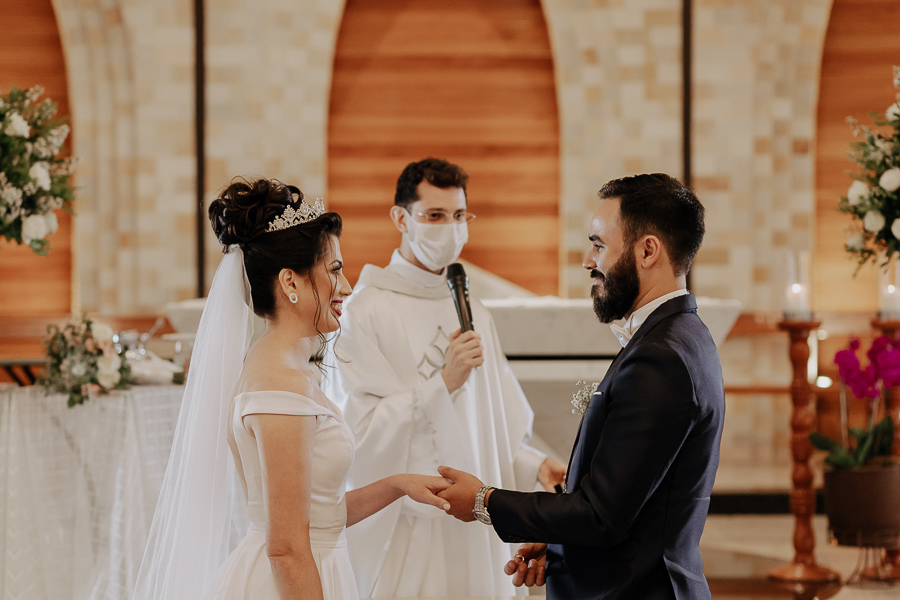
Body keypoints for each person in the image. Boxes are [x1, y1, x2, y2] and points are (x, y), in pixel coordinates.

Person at [133, 178, 451, 600]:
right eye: (335, 270)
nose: (347, 287)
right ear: (291, 282)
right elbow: (284, 548)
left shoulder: (281, 369)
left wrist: (396, 484)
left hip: (311, 566)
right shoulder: (278, 385)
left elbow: (317, 516)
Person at [438, 173, 725, 600]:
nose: (588, 261)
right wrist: (558, 543)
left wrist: (484, 501)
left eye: (599, 244)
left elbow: (600, 515)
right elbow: (627, 502)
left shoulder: (659, 357)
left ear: (648, 250)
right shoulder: (682, 334)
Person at [321, 157, 567, 598]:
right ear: (401, 218)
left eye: (459, 216)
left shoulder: (472, 308)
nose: (449, 228)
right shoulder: (364, 312)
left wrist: (533, 464)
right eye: (434, 216)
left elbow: (492, 420)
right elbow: (358, 431)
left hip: (479, 519)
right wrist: (443, 384)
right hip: (412, 526)